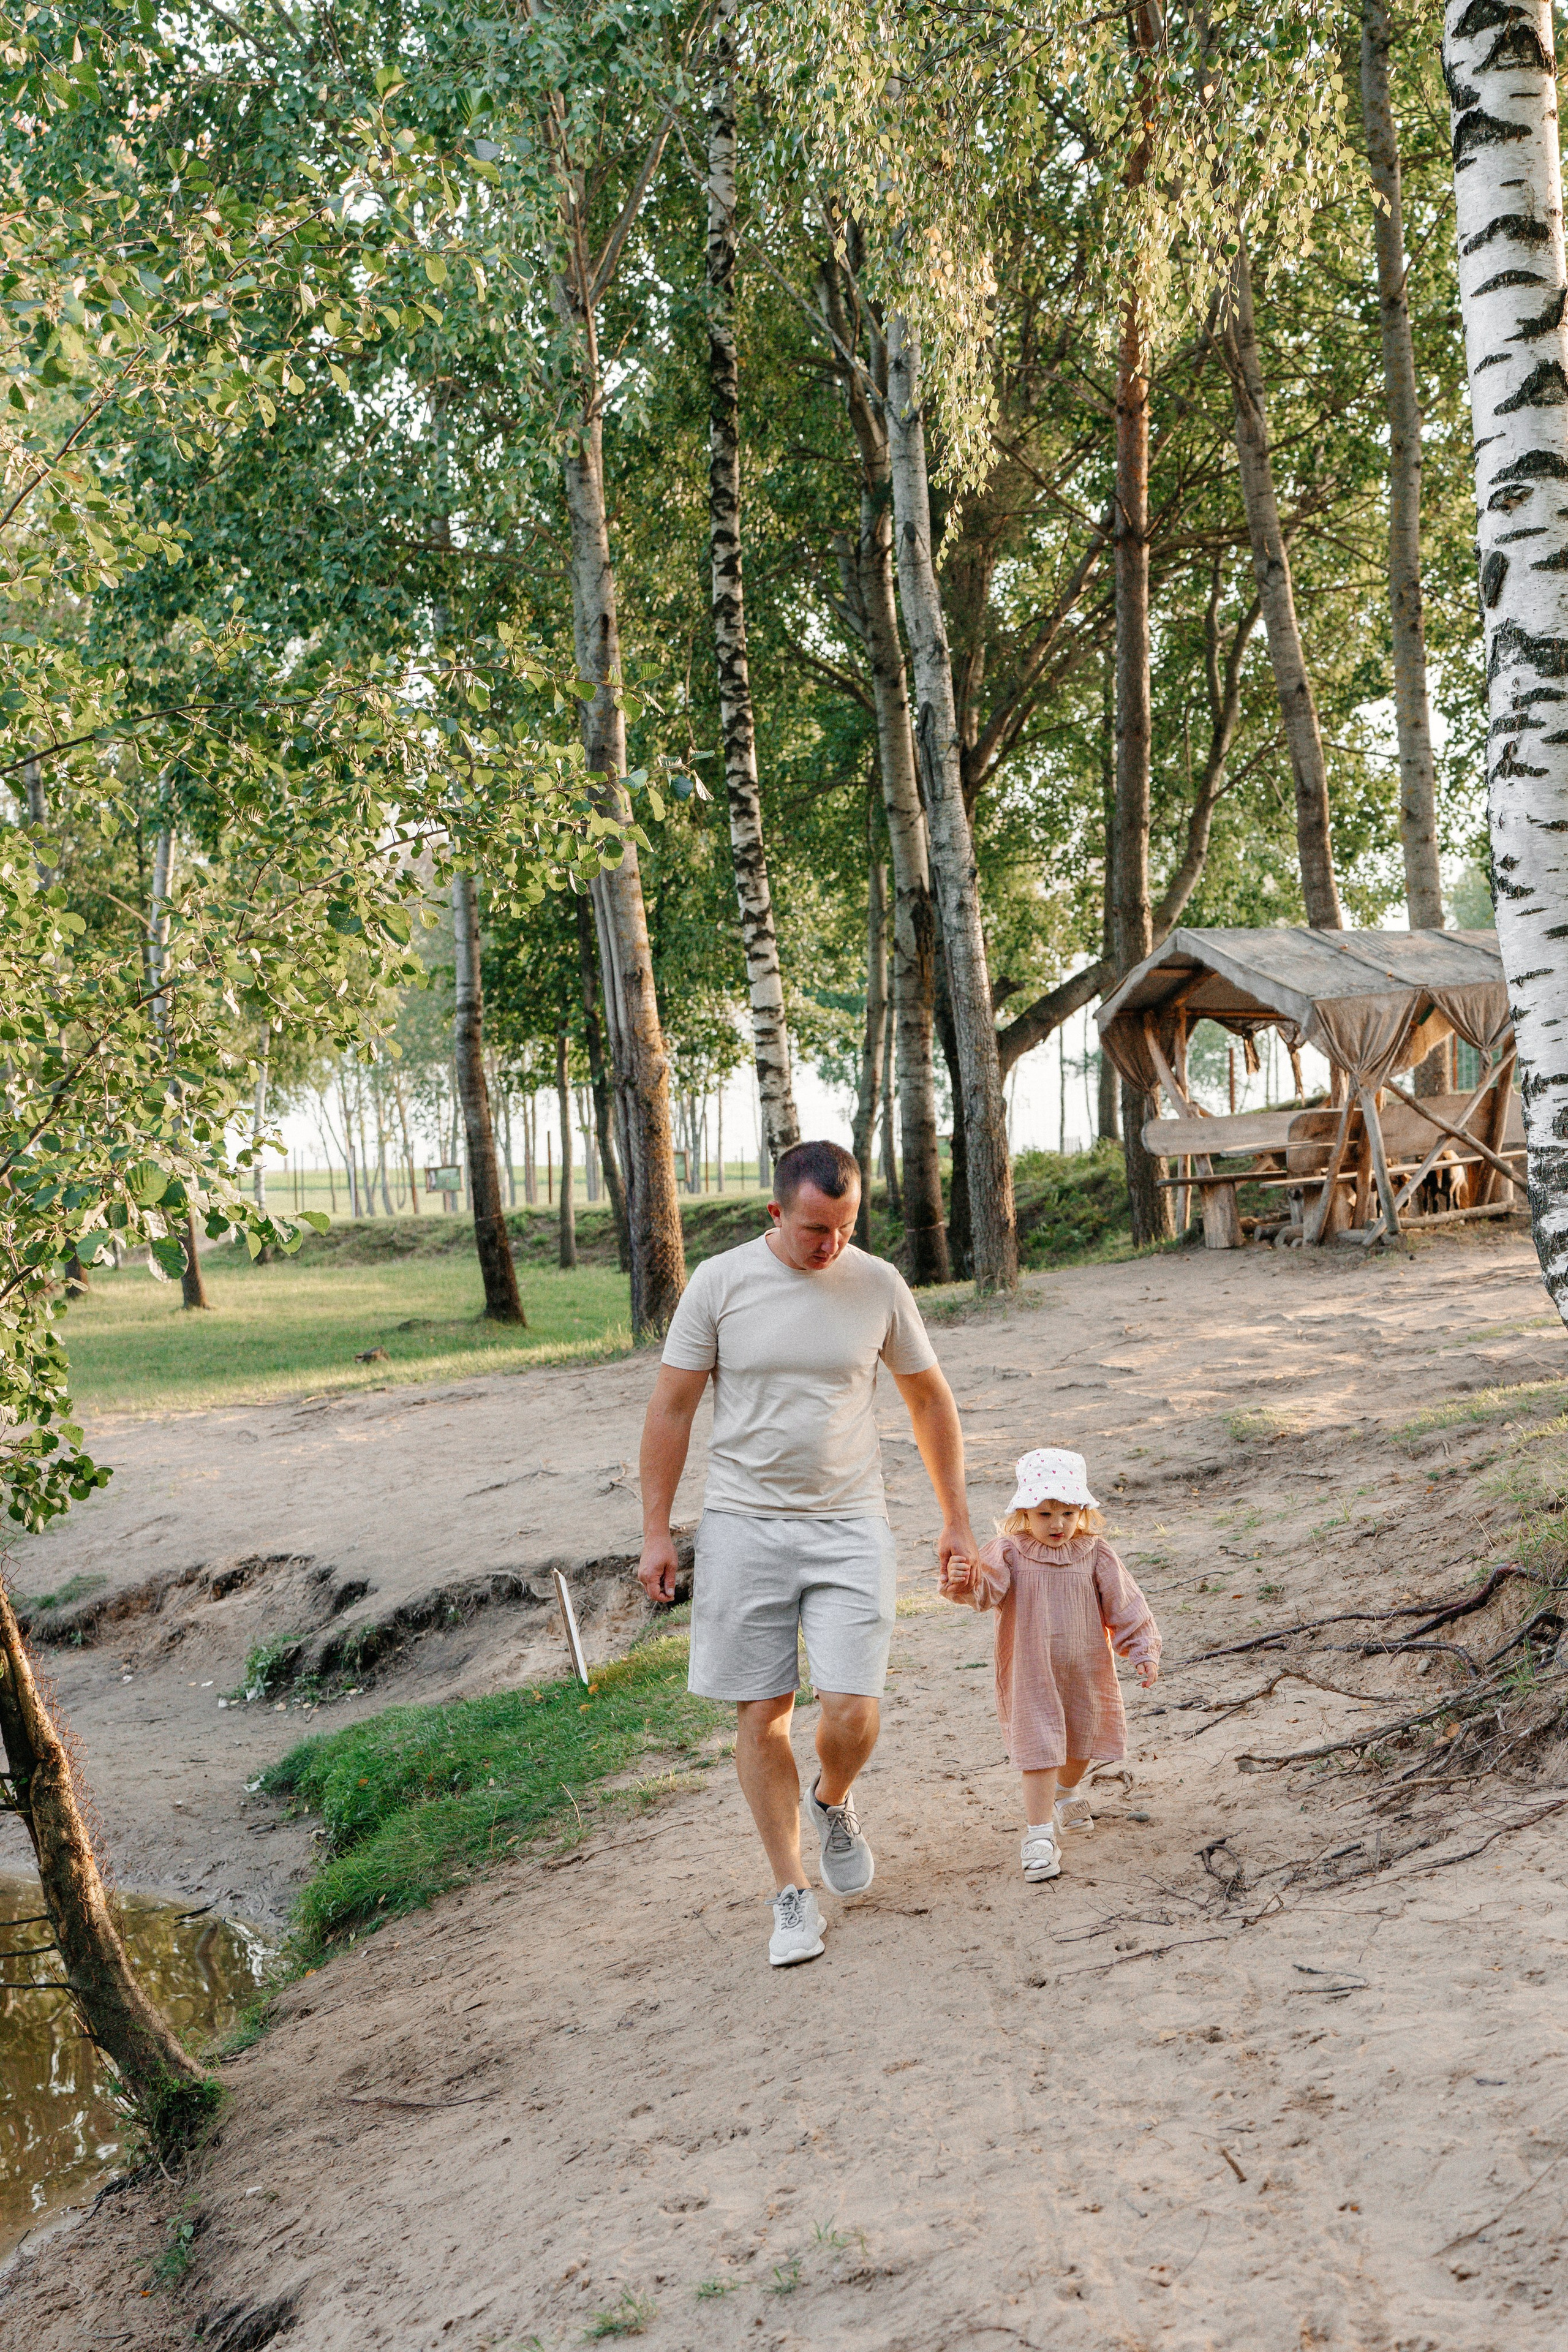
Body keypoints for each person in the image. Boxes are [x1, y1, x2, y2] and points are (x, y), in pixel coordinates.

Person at [637, 1138, 978, 1968]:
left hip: (849, 1523)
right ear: (775, 1214)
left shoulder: (877, 1284)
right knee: (763, 1711)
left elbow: (929, 1402)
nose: (830, 1246)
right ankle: (790, 1893)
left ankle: (834, 1799)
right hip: (744, 1526)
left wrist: (957, 1520)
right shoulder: (719, 1284)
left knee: (854, 1708)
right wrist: (656, 1529)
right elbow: (673, 1408)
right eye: (815, 1229)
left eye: (846, 1227)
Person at [944, 1446, 1159, 1883]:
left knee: (1083, 1740)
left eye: (1067, 1513)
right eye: (1044, 1514)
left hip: (1086, 1669)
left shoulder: (1095, 1553)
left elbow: (1126, 1604)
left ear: (1082, 1510)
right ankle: (1039, 1835)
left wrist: (1141, 1648)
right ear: (1025, 1512)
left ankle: (1066, 1791)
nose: (1058, 1525)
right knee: (1040, 1747)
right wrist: (966, 1581)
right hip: (1030, 1669)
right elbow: (985, 1593)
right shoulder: (1009, 1552)